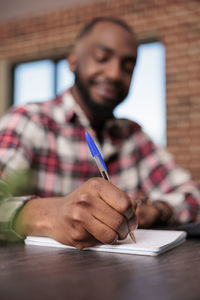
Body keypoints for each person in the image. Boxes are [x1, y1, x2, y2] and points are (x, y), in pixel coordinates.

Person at [0, 17, 199, 248]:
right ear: (73, 60)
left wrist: (155, 210)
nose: (115, 74)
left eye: (127, 66)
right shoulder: (29, 120)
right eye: (102, 58)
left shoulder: (133, 136)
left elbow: (193, 194)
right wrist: (45, 215)